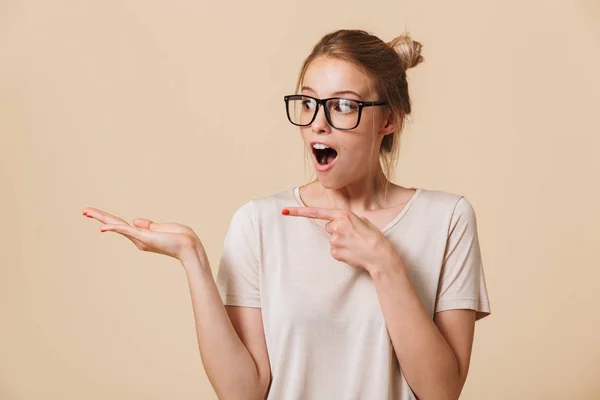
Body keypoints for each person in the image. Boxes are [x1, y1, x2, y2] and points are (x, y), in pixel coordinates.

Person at [83, 29, 491, 400]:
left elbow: (442, 392)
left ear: (389, 119)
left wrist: (384, 264)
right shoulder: (259, 223)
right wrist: (192, 257)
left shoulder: (448, 219)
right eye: (309, 103)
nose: (318, 124)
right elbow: (243, 393)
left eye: (343, 106)